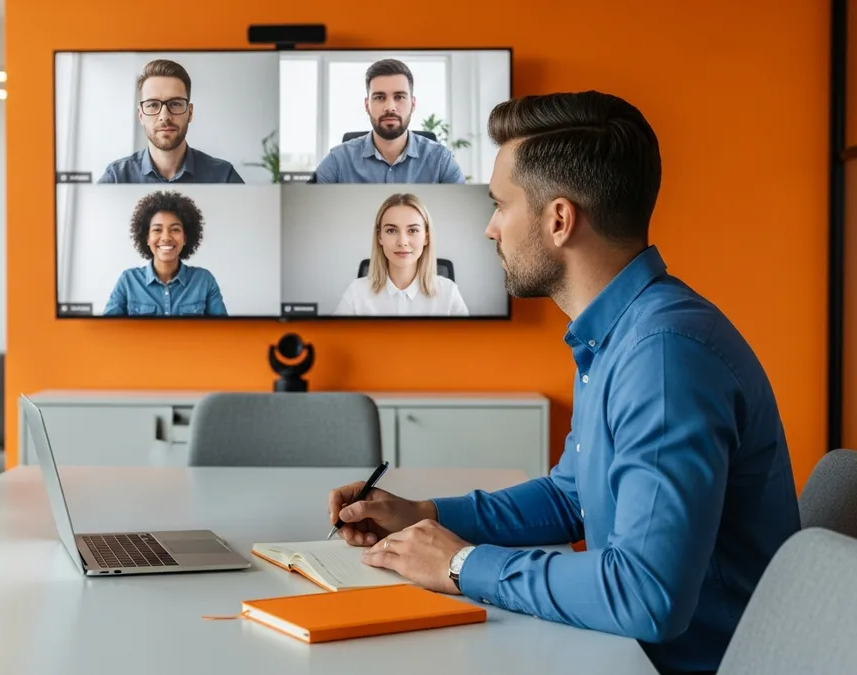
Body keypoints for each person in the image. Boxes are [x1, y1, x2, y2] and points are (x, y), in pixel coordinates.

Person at [326, 91, 800, 675]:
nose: (490, 229)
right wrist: (422, 513)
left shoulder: (664, 359)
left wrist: (460, 564)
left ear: (558, 219)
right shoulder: (618, 333)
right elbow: (571, 496)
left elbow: (643, 594)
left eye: (500, 205)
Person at [313, 59, 464, 184]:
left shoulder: (441, 160)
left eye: (399, 97)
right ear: (367, 105)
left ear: (413, 104)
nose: (390, 107)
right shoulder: (337, 161)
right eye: (379, 97)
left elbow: (462, 212)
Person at [98, 59, 244, 184]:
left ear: (190, 112)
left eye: (175, 103)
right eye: (153, 105)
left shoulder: (224, 177)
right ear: (141, 115)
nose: (164, 116)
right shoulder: (116, 178)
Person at [334, 192, 468, 316]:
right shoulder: (356, 292)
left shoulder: (448, 292)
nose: (402, 242)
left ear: (426, 237)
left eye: (413, 230)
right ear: (380, 237)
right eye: (391, 231)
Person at [103, 190, 228, 316]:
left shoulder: (204, 280)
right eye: (157, 229)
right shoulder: (128, 281)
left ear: (185, 238)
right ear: (147, 238)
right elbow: (106, 331)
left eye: (175, 229)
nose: (166, 237)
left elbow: (223, 332)